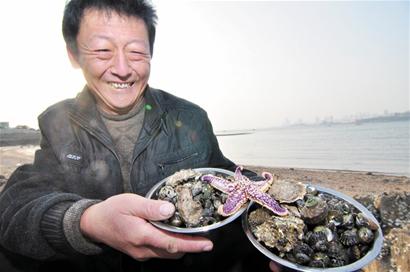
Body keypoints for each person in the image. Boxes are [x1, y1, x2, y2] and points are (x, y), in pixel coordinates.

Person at [0, 1, 280, 271]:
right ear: (74, 55)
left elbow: (226, 174)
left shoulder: (190, 117)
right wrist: (87, 221)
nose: (122, 69)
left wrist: (280, 200)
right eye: (102, 51)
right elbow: (16, 206)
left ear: (150, 53)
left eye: (136, 52)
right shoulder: (57, 122)